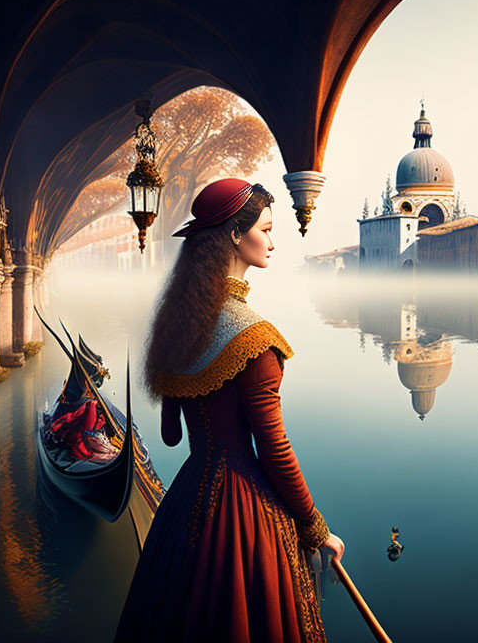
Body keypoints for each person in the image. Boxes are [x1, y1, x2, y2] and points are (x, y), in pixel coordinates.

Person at [115, 179, 341, 643]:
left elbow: (173, 434)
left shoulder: (183, 322)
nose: (274, 242)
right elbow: (274, 448)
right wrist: (316, 528)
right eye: (267, 229)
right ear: (236, 236)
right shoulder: (254, 337)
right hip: (244, 515)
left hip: (187, 497)